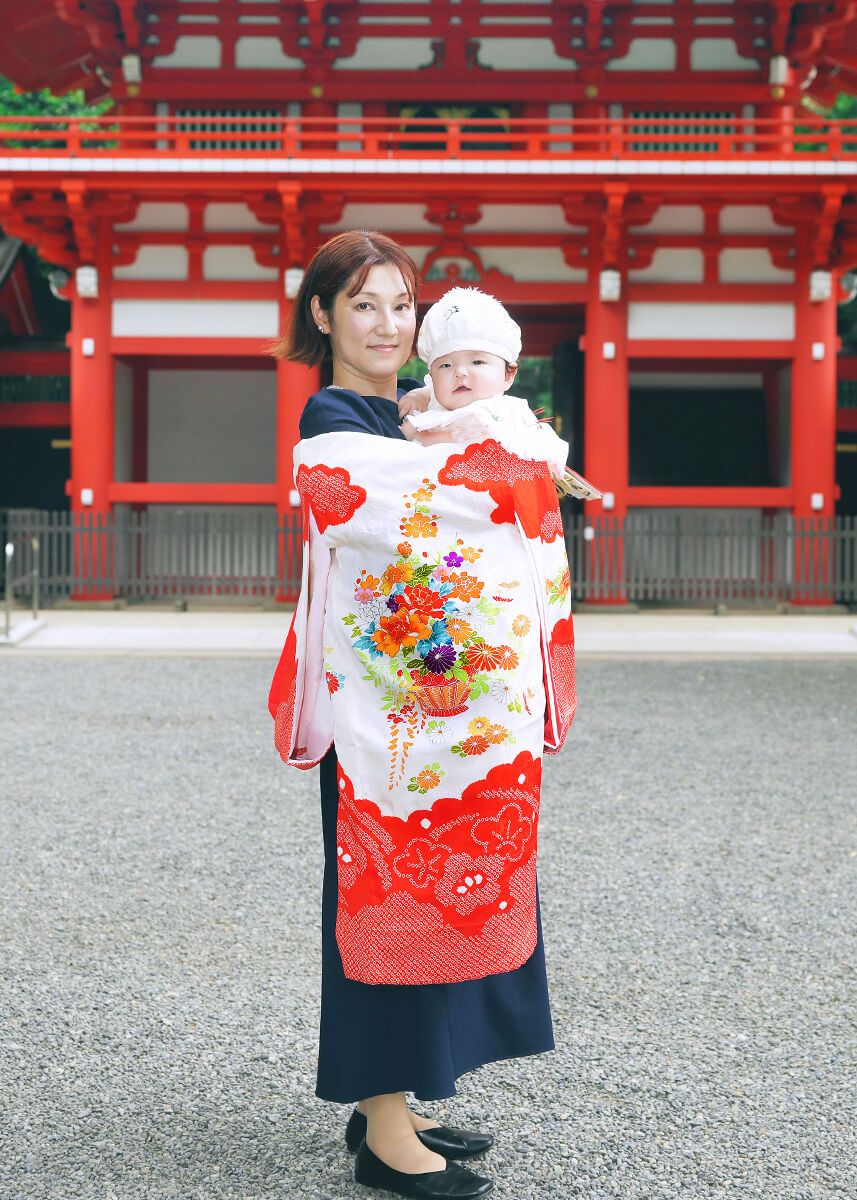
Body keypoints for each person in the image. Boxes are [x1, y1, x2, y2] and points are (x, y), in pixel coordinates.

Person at [268, 231, 577, 1200]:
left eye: (401, 305)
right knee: (380, 908)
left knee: (428, 901)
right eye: (362, 304)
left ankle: (394, 1101)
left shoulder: (402, 415)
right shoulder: (333, 419)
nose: (387, 324)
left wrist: (504, 455)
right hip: (382, 729)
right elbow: (436, 505)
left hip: (424, 724)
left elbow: (463, 489)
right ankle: (384, 1123)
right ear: (321, 316)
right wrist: (515, 464)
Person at [400, 287, 601, 501]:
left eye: (477, 362)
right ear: (431, 376)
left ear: (509, 374)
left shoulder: (507, 414)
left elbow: (468, 441)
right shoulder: (430, 411)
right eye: (446, 365)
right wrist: (420, 396)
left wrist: (418, 435)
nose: (459, 372)